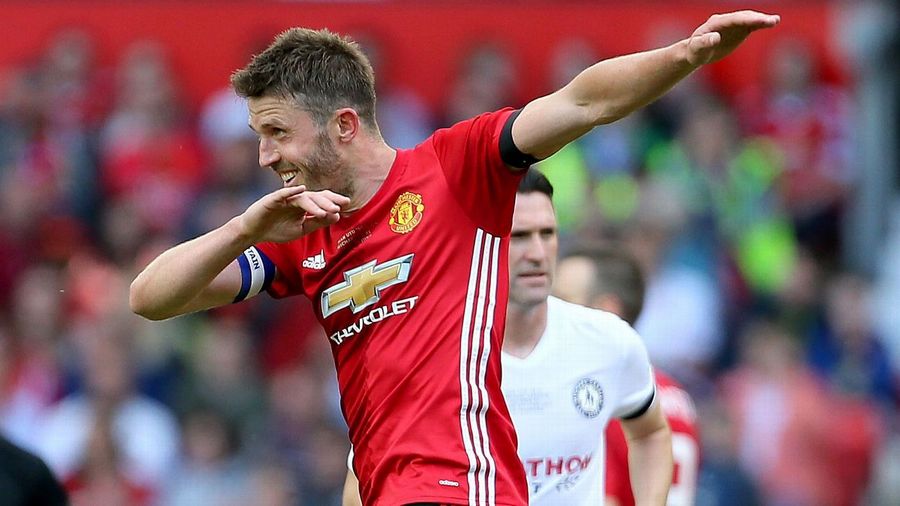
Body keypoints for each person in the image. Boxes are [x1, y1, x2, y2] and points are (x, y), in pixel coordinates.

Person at [130, 11, 779, 506]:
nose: (265, 156)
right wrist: (245, 227)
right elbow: (150, 299)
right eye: (258, 137)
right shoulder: (303, 233)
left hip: (463, 485)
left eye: (276, 132)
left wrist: (686, 55)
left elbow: (584, 101)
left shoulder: (453, 169)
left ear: (344, 125)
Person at [344, 170, 673, 506]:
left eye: (547, 233)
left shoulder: (608, 340)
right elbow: (361, 484)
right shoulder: (423, 356)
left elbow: (651, 433)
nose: (538, 253)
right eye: (519, 236)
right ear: (478, 241)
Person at [555, 248, 701, 506]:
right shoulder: (677, 397)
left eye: (562, 301)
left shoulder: (596, 399)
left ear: (607, 311)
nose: (549, 313)